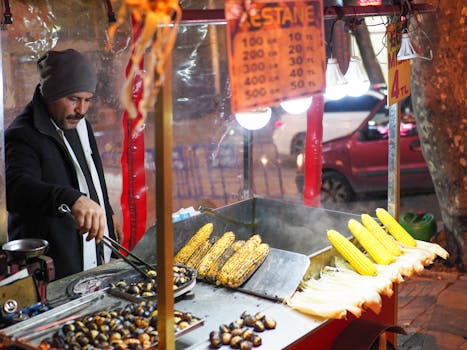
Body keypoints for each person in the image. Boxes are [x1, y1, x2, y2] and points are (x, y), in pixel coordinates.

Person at [5, 49, 123, 280]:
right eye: (74, 99)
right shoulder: (22, 134)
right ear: (50, 93)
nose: (82, 110)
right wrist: (70, 198)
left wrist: (106, 210)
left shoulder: (80, 123)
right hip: (56, 268)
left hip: (93, 260)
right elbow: (17, 189)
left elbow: (93, 171)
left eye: (88, 100)